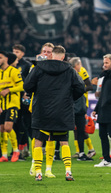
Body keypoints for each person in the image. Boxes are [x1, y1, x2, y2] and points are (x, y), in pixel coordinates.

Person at [24, 45, 85, 181]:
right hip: (62, 111)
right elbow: (80, 87)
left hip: (41, 110)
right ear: (63, 57)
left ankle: (38, 172)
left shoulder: (39, 68)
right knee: (64, 141)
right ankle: (68, 172)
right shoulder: (69, 69)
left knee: (39, 141)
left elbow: (27, 85)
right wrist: (70, 97)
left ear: (52, 55)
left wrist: (37, 92)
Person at [28, 42, 58, 178]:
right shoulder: (35, 67)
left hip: (54, 105)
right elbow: (28, 84)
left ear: (53, 54)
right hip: (38, 106)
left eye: (49, 52)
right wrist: (36, 66)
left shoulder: (58, 68)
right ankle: (35, 163)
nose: (46, 54)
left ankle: (48, 169)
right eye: (44, 51)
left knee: (51, 137)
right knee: (37, 136)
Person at [0, 51, 24, 162]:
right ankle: (4, 155)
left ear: (6, 59)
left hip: (12, 104)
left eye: (0, 57)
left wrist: (9, 89)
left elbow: (22, 86)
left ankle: (16, 151)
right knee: (1, 129)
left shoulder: (14, 71)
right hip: (1, 106)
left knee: (8, 127)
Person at [69, 57, 94, 161]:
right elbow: (88, 87)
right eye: (80, 64)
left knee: (78, 130)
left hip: (75, 105)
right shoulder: (74, 75)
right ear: (76, 65)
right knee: (77, 129)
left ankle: (81, 153)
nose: (81, 67)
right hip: (75, 105)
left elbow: (89, 86)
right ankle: (83, 152)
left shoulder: (68, 74)